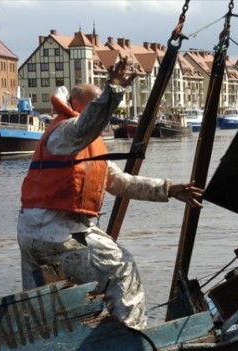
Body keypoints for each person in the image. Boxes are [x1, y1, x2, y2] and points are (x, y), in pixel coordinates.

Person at [17, 57, 204, 330]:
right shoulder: (65, 132)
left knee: (45, 307)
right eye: (98, 106)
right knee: (121, 268)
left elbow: (119, 182)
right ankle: (131, 341)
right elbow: (86, 124)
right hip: (55, 231)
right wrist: (113, 89)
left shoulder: (83, 144)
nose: (104, 119)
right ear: (80, 106)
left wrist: (169, 189)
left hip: (37, 232)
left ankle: (66, 347)